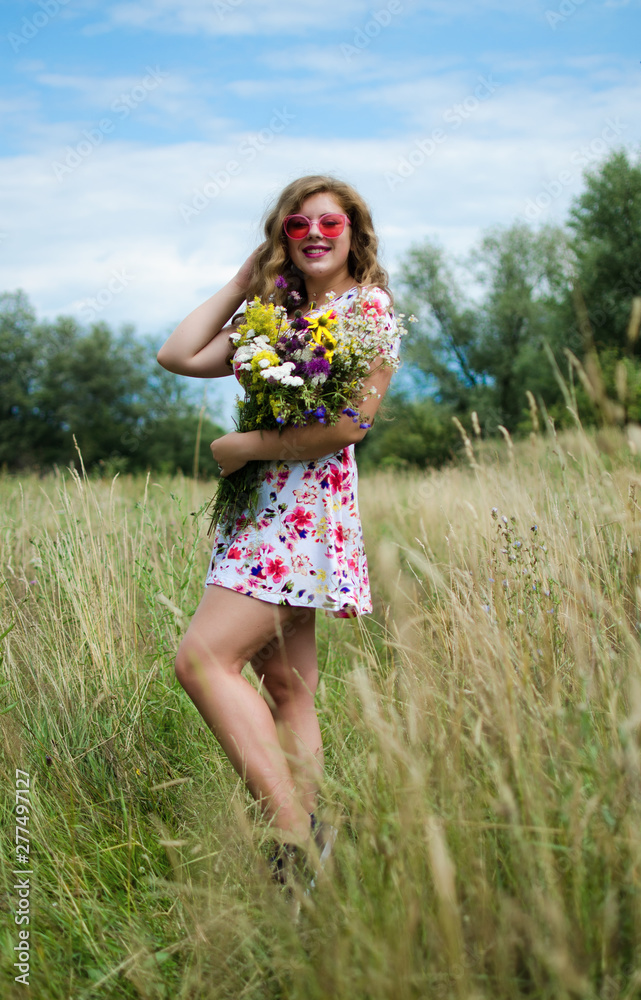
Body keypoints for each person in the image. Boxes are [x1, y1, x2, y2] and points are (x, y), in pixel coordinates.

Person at [156, 174, 400, 871]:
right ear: (280, 240)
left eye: (330, 223)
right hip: (256, 516)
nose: (315, 234)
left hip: (301, 519)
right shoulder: (273, 313)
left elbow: (351, 425)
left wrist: (245, 447)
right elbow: (177, 355)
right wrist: (241, 282)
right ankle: (310, 854)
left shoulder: (369, 310)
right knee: (288, 686)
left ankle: (295, 841)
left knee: (202, 661)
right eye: (297, 226)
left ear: (355, 234)